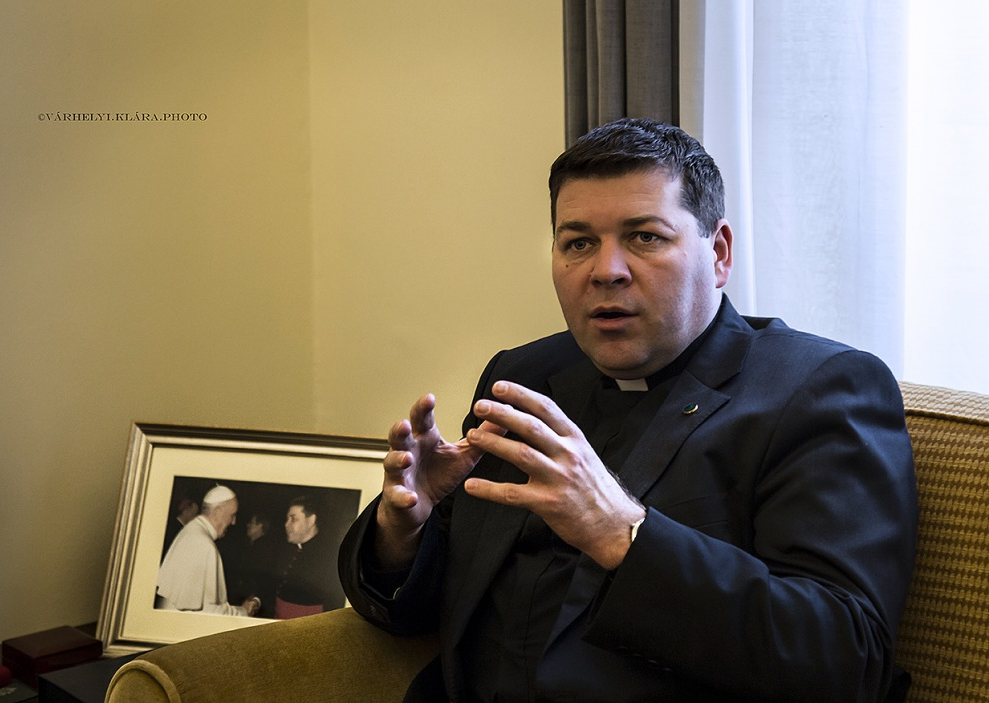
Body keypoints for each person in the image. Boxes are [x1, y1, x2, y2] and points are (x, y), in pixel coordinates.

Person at [338, 118, 918, 702]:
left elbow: (846, 660)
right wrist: (404, 531)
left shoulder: (817, 389)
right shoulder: (524, 377)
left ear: (718, 254)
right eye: (578, 243)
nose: (606, 270)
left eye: (644, 237)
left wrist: (623, 533)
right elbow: (420, 610)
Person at [156, 484, 260, 617]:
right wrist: (244, 611)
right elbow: (210, 612)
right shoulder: (204, 545)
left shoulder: (191, 529)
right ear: (217, 511)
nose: (234, 522)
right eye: (232, 515)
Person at [272, 497, 345, 618]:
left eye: (293, 519)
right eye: (287, 519)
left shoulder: (329, 555)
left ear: (311, 520)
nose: (286, 524)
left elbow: (334, 602)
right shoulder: (285, 548)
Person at [221, 512, 280, 617]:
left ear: (260, 526)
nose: (248, 525)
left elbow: (262, 578)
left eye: (252, 523)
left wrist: (253, 598)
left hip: (251, 602)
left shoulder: (265, 550)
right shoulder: (248, 545)